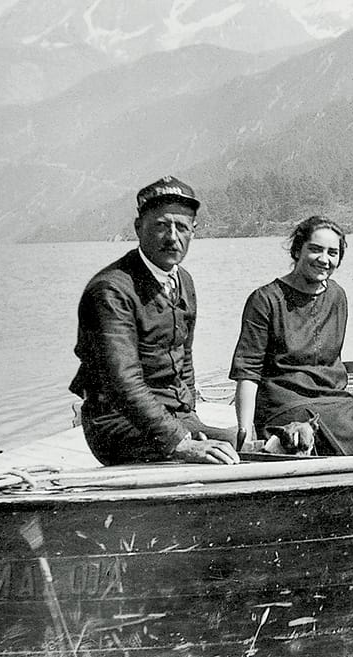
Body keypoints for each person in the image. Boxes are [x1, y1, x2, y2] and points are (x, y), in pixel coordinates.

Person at [70, 176, 240, 466]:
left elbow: (184, 358)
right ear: (139, 228)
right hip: (116, 423)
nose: (173, 237)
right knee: (223, 460)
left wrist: (190, 419)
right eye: (161, 225)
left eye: (182, 227)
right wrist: (180, 442)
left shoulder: (182, 280)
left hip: (170, 418)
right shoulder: (110, 291)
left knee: (246, 442)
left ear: (193, 232)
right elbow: (123, 384)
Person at [229, 216, 353, 455]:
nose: (324, 260)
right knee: (326, 444)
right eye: (315, 250)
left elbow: (329, 360)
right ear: (297, 250)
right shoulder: (265, 299)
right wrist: (244, 433)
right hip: (285, 404)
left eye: (332, 253)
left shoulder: (337, 295)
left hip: (335, 400)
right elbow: (247, 373)